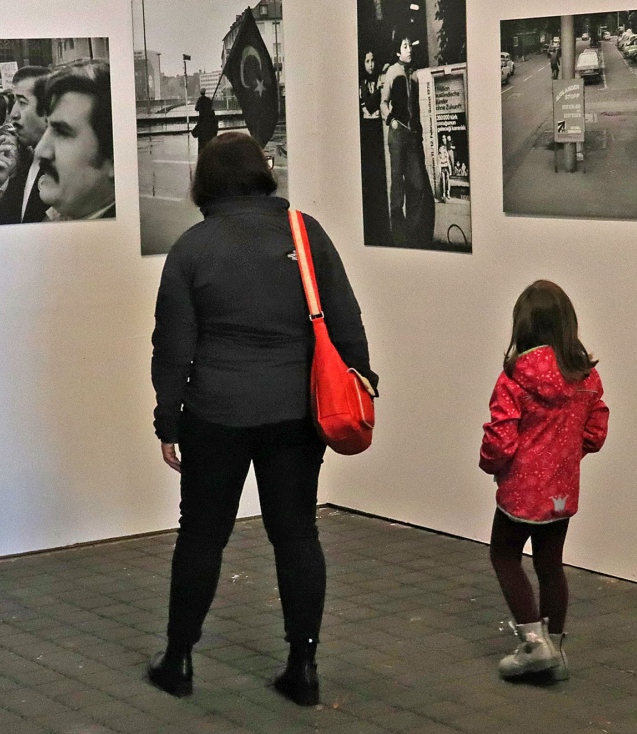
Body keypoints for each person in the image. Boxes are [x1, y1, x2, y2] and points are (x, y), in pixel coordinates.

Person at [148, 132, 377, 706]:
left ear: (206, 180)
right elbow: (344, 315)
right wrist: (363, 378)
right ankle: (303, 668)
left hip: (215, 414)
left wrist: (168, 420)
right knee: (297, 534)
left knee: (201, 537)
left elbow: (172, 346)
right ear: (261, 171)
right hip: (294, 414)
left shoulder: (192, 248)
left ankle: (178, 661)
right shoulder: (305, 232)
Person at [480, 280, 608, 681]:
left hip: (520, 491)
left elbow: (500, 440)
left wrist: (490, 464)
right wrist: (566, 458)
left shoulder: (514, 379)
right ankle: (555, 646)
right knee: (551, 564)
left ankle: (534, 646)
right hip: (561, 490)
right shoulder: (585, 378)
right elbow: (595, 432)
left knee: (504, 555)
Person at [33, 59, 116, 220]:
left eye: (62, 132)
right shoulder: (58, 216)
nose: (40, 150)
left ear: (114, 159)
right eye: (47, 128)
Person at [381, 35, 435, 247]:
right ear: (397, 51)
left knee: (418, 184)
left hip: (412, 138)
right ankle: (398, 235)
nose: (409, 49)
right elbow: (383, 103)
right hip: (397, 135)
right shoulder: (392, 72)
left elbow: (417, 109)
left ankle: (413, 233)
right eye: (405, 46)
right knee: (397, 186)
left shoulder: (414, 76)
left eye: (410, 46)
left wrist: (419, 133)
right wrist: (390, 120)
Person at [0, 66, 52, 224]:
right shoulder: (23, 158)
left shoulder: (64, 169)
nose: (13, 113)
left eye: (22, 102)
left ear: (48, 109)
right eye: (14, 102)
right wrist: (0, 184)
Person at [358, 49, 389, 247]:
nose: (371, 64)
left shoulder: (380, 80)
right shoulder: (362, 83)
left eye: (373, 60)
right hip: (367, 134)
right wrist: (378, 88)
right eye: (367, 61)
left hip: (378, 132)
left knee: (380, 178)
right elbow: (369, 106)